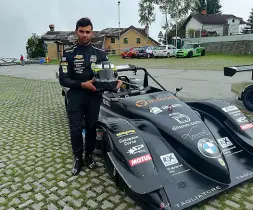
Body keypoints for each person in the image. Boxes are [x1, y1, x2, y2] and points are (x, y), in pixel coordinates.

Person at [58, 17, 121, 175]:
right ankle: (78, 158)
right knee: (76, 129)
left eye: (88, 32)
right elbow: (63, 79)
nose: (85, 35)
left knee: (92, 128)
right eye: (81, 31)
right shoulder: (68, 54)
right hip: (75, 97)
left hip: (94, 96)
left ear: (92, 33)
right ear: (76, 32)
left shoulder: (100, 54)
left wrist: (115, 82)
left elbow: (110, 74)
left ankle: (88, 156)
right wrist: (82, 84)